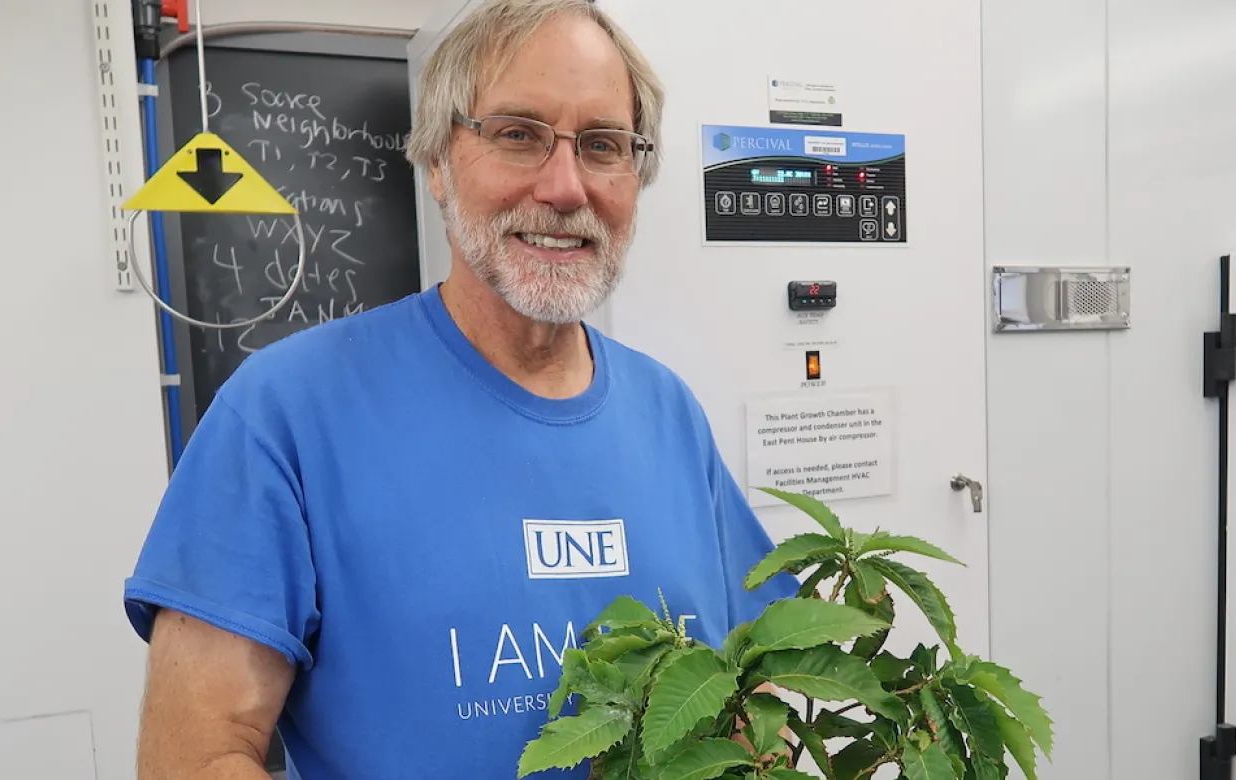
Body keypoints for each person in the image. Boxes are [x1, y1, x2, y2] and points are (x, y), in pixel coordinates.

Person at [120, 1, 798, 777]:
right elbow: (196, 758)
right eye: (518, 134)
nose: (566, 187)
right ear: (438, 160)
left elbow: (754, 681)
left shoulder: (668, 412)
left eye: (603, 145)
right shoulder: (286, 414)